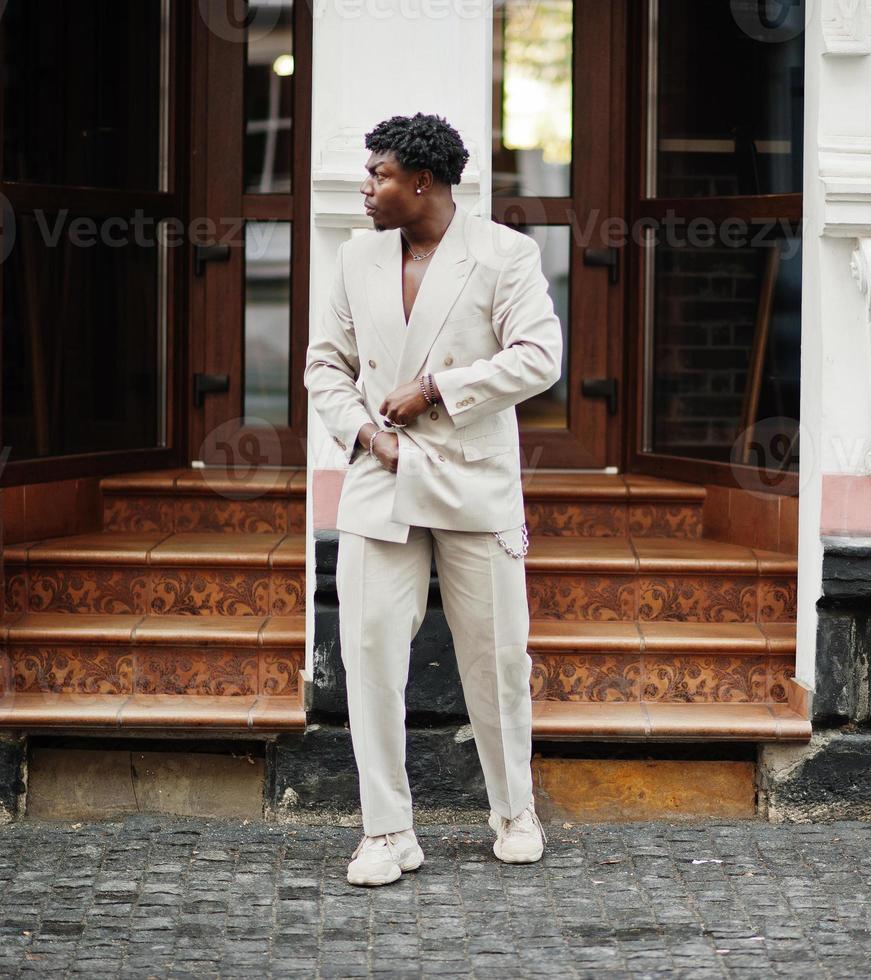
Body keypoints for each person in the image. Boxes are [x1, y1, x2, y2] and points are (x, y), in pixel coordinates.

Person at [303, 113, 563, 887]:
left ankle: (513, 811)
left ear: (422, 182)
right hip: (380, 480)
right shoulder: (355, 258)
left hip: (472, 479)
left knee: (495, 660)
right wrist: (364, 435)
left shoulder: (503, 253)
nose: (365, 188)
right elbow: (325, 365)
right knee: (371, 658)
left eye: (378, 175)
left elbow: (539, 357)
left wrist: (436, 388)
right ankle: (387, 832)